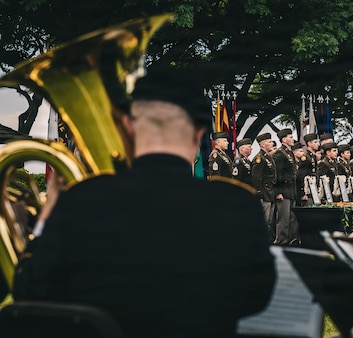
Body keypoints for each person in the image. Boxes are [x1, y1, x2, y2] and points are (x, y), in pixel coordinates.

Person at [11, 68, 276, 338]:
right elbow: (257, 298)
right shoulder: (237, 204)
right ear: (198, 134)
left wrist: (45, 218)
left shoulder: (80, 201)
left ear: (127, 127)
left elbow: (29, 291)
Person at [272, 129, 299, 245]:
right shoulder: (280, 153)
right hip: (283, 190)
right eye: (290, 137)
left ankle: (291, 241)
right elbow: (277, 174)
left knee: (292, 218)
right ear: (284, 139)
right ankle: (282, 241)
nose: (292, 139)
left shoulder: (289, 152)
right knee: (284, 219)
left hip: (291, 190)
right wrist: (278, 192)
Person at [252, 132, 277, 240]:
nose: (271, 143)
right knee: (265, 221)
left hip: (270, 193)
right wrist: (259, 194)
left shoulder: (268, 157)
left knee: (270, 221)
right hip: (264, 194)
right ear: (262, 145)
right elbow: (256, 178)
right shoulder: (259, 158)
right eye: (269, 141)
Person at [297, 133, 320, 204]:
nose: (318, 144)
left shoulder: (313, 157)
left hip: (313, 189)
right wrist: (302, 193)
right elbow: (300, 175)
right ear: (309, 144)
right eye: (315, 142)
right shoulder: (306, 158)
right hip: (307, 190)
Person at [292, 142, 307, 206]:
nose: (303, 153)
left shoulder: (300, 163)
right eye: (300, 151)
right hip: (295, 192)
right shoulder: (293, 164)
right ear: (294, 153)